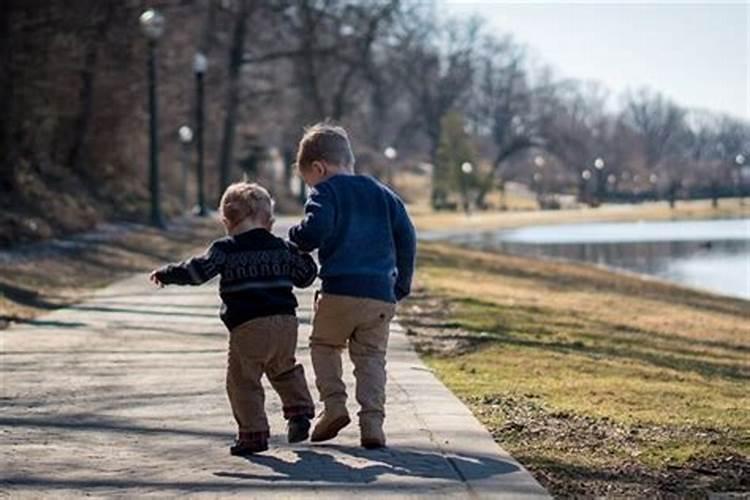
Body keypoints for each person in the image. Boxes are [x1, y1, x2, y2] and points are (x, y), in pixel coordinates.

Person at [150, 182, 317, 456]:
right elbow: (306, 277)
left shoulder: (225, 249)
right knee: (284, 368)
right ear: (270, 221)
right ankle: (299, 413)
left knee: (243, 381)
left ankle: (253, 434)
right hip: (285, 323)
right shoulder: (282, 248)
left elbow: (198, 272)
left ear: (226, 222)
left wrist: (168, 274)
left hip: (248, 326)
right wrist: (303, 254)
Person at [289, 123, 417, 449]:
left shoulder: (326, 192)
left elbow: (315, 231)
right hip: (379, 295)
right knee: (372, 357)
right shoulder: (385, 194)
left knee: (324, 346)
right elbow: (407, 237)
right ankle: (372, 424)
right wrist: (401, 283)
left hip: (339, 290)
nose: (311, 187)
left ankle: (333, 406)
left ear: (319, 168)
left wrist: (296, 237)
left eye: (309, 181)